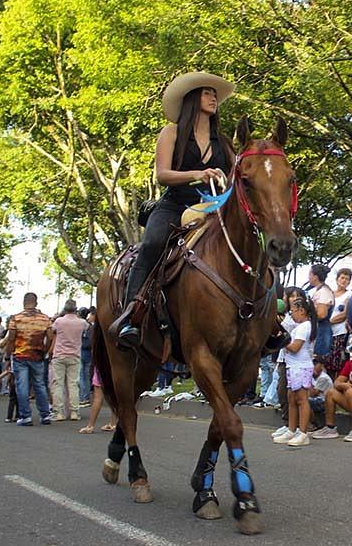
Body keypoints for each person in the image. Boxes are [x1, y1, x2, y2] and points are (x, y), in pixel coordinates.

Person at [116, 72, 236, 348]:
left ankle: (269, 321)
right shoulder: (171, 133)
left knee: (254, 240)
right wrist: (198, 173)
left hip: (215, 207)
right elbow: (162, 175)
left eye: (214, 94)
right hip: (176, 203)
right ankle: (130, 316)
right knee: (152, 244)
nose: (213, 98)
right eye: (207, 93)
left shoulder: (223, 141)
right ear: (193, 99)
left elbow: (235, 176)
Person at [311, 336, 352, 442]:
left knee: (351, 392)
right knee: (331, 393)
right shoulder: (350, 364)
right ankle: (330, 428)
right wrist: (346, 384)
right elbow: (337, 382)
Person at [273, 297, 317, 447]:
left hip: (301, 366)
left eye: (293, 311)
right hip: (293, 366)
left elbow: (295, 347)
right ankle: (292, 430)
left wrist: (282, 341)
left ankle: (303, 433)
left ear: (302, 311)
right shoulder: (300, 326)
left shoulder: (305, 326)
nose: (292, 315)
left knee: (301, 399)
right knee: (291, 398)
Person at [6, 292, 53, 426]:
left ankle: (25, 416)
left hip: (20, 356)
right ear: (36, 303)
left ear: (24, 302)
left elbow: (11, 339)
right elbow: (50, 337)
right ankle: (45, 415)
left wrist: (8, 356)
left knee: (22, 386)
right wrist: (45, 349)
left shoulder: (16, 318)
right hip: (37, 355)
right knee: (40, 385)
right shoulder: (45, 319)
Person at [50, 299, 88, 421]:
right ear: (76, 309)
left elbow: (52, 331)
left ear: (65, 309)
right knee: (73, 384)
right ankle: (74, 412)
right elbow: (88, 327)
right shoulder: (81, 322)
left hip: (59, 355)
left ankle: (59, 412)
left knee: (58, 384)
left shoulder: (59, 321)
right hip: (75, 355)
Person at [327, 268, 352, 380]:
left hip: (340, 332)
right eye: (342, 278)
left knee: (337, 362)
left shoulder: (349, 294)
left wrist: (329, 322)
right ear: (337, 279)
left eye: (347, 279)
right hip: (327, 333)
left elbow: (345, 314)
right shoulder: (330, 293)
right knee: (325, 360)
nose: (344, 281)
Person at [308, 264, 335, 365]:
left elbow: (322, 314)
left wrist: (308, 316)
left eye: (310, 274)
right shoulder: (319, 291)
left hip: (321, 331)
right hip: (318, 329)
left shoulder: (324, 292)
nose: (309, 277)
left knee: (317, 361)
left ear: (315, 276)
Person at [78, 367, 118, 434]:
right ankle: (113, 423)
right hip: (114, 369)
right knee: (113, 396)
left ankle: (90, 426)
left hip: (101, 369)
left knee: (98, 397)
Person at [78, 308, 95, 406]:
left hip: (81, 350)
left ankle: (83, 397)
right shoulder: (89, 326)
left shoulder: (80, 324)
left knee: (81, 375)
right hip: (89, 352)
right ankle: (86, 397)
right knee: (87, 375)